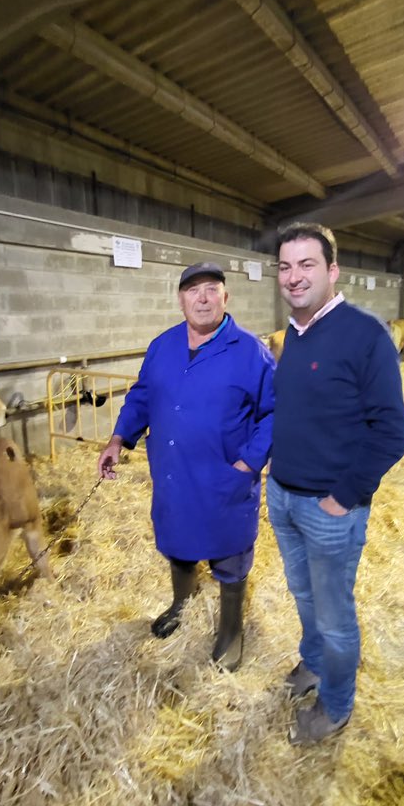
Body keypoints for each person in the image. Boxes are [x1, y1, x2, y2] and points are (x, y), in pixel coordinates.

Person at [267, 223, 404, 744]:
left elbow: (392, 432)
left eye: (307, 264)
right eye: (285, 266)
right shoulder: (293, 335)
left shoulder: (365, 335)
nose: (294, 276)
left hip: (328, 508)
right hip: (283, 496)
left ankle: (335, 705)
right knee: (303, 595)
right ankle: (313, 664)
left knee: (333, 616)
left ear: (333, 271)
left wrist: (343, 496)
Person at [97, 261, 275, 671]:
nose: (203, 298)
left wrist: (248, 462)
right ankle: (182, 603)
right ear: (180, 300)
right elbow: (142, 396)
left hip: (223, 476)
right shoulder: (163, 346)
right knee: (177, 542)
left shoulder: (251, 352)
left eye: (212, 289)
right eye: (193, 290)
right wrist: (118, 438)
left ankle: (230, 630)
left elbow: (275, 412)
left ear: (226, 297)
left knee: (229, 554)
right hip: (173, 473)